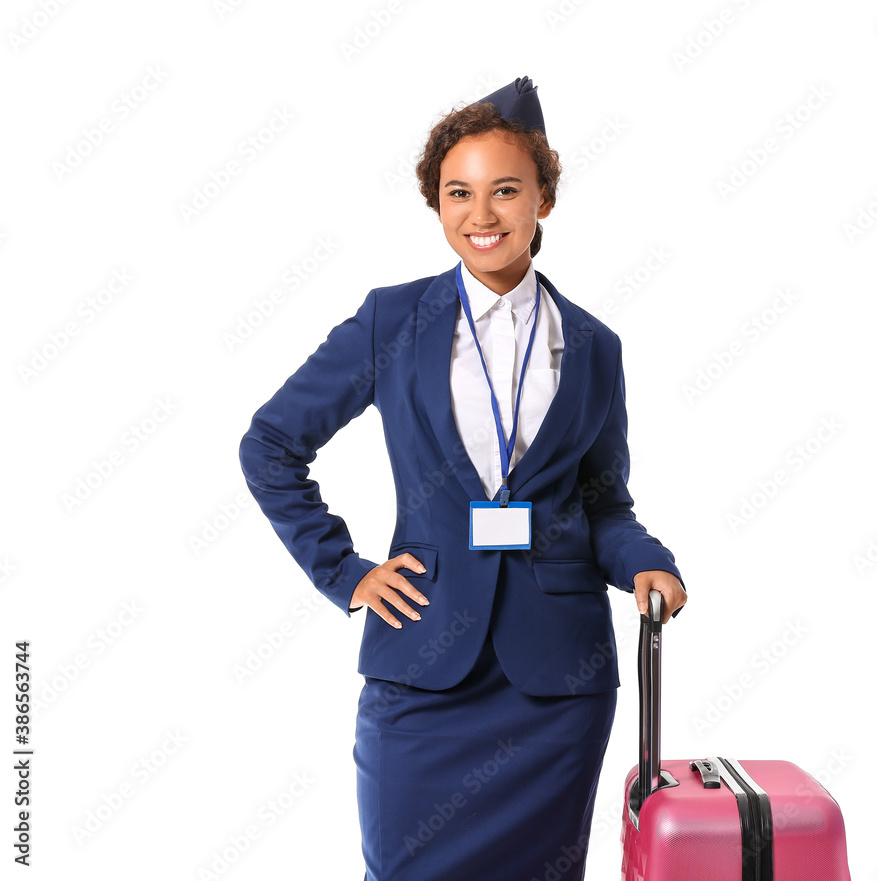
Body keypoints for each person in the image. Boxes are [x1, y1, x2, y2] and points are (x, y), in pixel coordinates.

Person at [239, 75, 686, 881]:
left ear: (543, 199)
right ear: (436, 203)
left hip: (556, 683)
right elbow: (270, 443)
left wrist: (646, 558)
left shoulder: (593, 345)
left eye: (505, 190)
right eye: (459, 193)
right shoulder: (391, 320)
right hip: (423, 672)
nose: (481, 216)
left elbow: (602, 502)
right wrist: (345, 572)